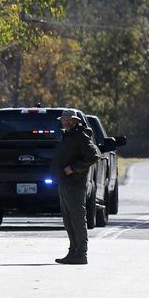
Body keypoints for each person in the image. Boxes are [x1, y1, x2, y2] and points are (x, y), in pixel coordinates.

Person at [52, 109, 99, 265]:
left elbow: (94, 156)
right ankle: (73, 252)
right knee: (68, 219)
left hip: (75, 184)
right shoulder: (68, 136)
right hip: (65, 183)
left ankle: (81, 253)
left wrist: (74, 167)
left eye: (68, 120)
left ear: (75, 121)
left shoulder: (80, 136)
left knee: (77, 219)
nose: (65, 122)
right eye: (64, 120)